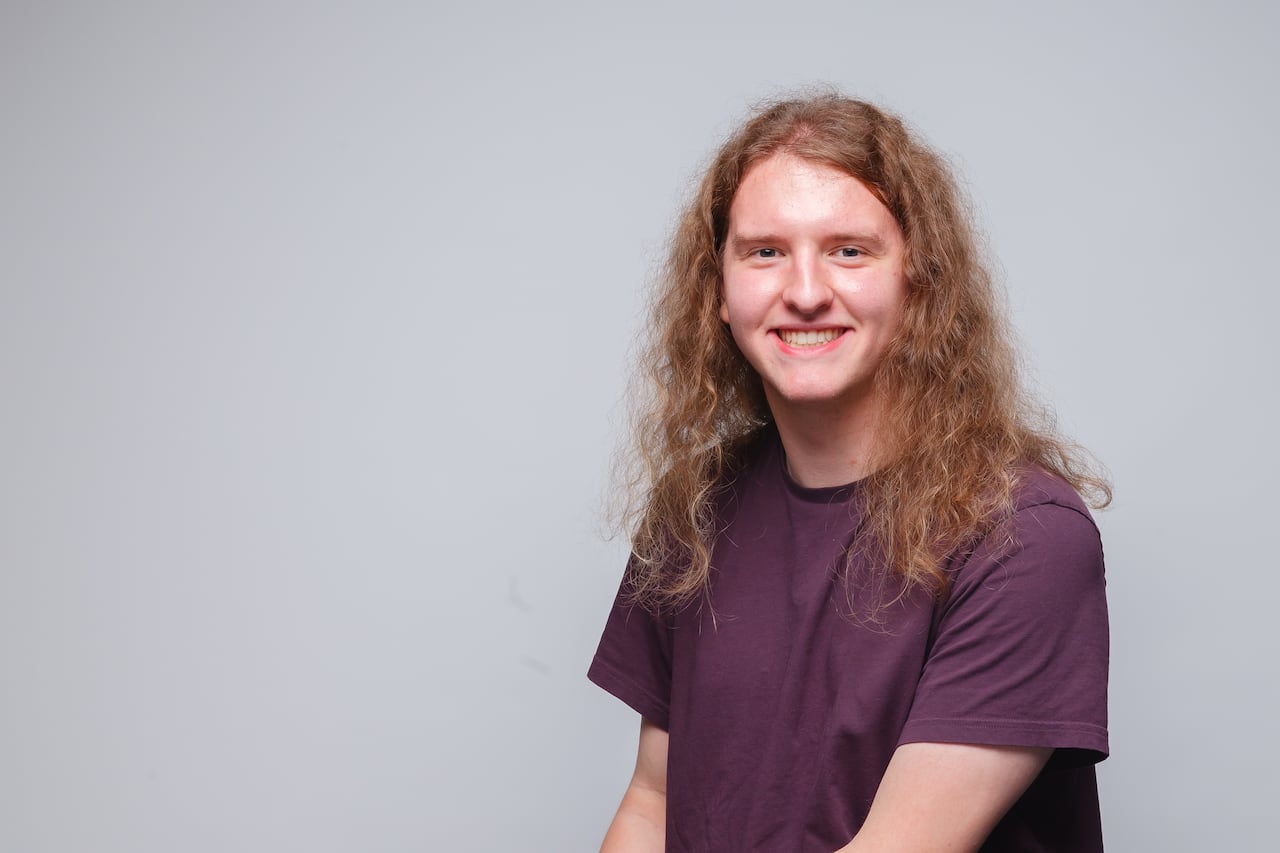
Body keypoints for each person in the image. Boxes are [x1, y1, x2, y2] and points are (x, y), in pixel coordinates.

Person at [588, 93, 1111, 852]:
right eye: (765, 252)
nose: (805, 293)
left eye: (849, 251)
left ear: (918, 282)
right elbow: (652, 801)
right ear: (719, 292)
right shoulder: (695, 511)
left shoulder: (1022, 535)